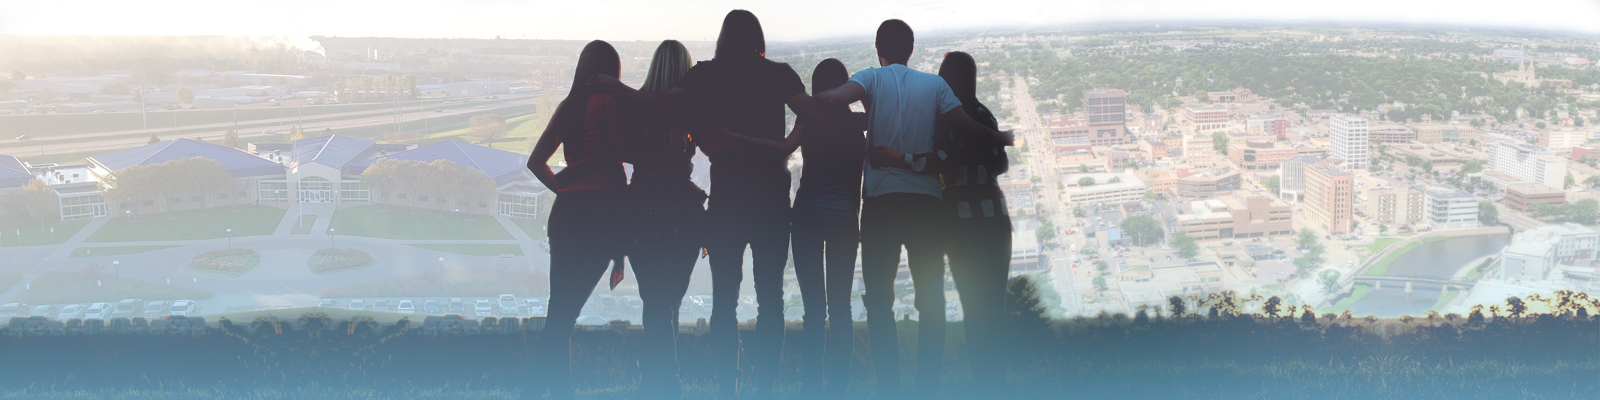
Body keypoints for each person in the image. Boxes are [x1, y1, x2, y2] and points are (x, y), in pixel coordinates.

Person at [589, 10, 828, 395]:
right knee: (771, 299)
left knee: (724, 301)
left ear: (722, 37)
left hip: (728, 199)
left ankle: (725, 386)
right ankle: (765, 386)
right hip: (770, 198)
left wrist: (613, 88)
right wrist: (784, 145)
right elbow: (813, 113)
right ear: (758, 38)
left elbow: (659, 104)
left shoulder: (704, 74)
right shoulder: (780, 73)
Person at [810, 20, 1012, 397]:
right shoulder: (935, 87)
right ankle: (927, 387)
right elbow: (961, 136)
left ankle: (890, 386)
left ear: (877, 48)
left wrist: (796, 99)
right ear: (913, 49)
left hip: (881, 204)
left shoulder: (871, 77)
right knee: (931, 301)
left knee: (880, 303)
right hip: (927, 207)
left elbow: (835, 99)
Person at [524, 40, 628, 400]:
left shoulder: (567, 108)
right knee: (568, 309)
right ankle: (540, 385)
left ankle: (552, 386)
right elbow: (622, 150)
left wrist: (566, 188)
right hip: (603, 211)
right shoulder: (609, 102)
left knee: (561, 306)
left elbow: (535, 162)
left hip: (568, 213)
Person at [621, 40, 705, 398]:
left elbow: (621, 152)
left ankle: (659, 381)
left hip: (642, 210)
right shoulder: (692, 110)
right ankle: (664, 381)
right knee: (670, 300)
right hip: (683, 213)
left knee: (653, 300)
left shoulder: (633, 109)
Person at [934, 51, 1013, 397]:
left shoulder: (938, 118)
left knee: (972, 303)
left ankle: (982, 381)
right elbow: (1002, 165)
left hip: (958, 220)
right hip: (995, 216)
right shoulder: (984, 115)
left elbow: (940, 165)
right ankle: (997, 380)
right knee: (994, 301)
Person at [788, 58, 868, 397]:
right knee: (840, 309)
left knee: (813, 311)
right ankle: (839, 388)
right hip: (844, 219)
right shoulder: (861, 124)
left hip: (806, 213)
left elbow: (785, 148)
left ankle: (810, 388)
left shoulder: (808, 118)